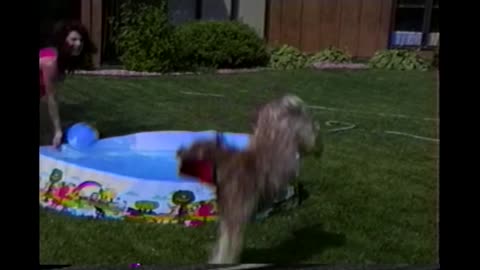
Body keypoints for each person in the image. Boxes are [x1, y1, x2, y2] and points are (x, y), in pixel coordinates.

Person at [39, 20, 97, 147]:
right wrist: (58, 130)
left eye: (81, 40)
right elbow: (52, 98)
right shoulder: (51, 61)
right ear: (63, 40)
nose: (78, 43)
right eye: (73, 39)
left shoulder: (61, 58)